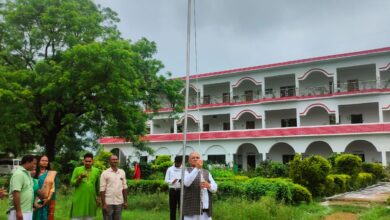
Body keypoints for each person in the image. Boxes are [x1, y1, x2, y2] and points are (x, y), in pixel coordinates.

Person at [183, 152, 217, 220]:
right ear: (189, 161)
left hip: (205, 210)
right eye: (193, 158)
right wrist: (196, 168)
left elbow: (215, 188)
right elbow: (186, 183)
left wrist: (209, 186)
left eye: (197, 157)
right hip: (191, 210)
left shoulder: (206, 172)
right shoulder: (185, 171)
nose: (195, 159)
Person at [70, 153, 101, 220]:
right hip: (79, 199)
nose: (87, 163)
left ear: (92, 161)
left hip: (91, 199)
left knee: (89, 217)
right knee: (76, 217)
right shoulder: (77, 169)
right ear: (83, 161)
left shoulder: (97, 171)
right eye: (86, 161)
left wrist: (99, 198)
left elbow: (98, 186)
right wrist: (80, 178)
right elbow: (72, 183)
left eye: (89, 161)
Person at [7, 155, 37, 220]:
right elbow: (16, 193)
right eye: (34, 163)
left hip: (27, 210)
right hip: (19, 212)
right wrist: (18, 211)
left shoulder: (27, 174)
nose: (35, 166)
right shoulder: (19, 174)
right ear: (27, 162)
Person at [100, 154, 128, 220]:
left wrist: (125, 201)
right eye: (113, 159)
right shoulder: (105, 173)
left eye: (116, 159)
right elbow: (102, 189)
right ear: (109, 161)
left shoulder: (122, 172)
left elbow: (124, 187)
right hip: (108, 202)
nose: (115, 161)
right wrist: (104, 203)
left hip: (119, 201)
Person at [34, 155, 57, 220]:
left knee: (44, 216)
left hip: (46, 200)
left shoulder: (51, 174)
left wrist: (49, 199)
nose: (44, 162)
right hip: (34, 199)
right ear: (39, 161)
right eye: (42, 160)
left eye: (46, 161)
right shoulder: (33, 172)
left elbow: (53, 189)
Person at [164, 155, 182, 220]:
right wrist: (172, 181)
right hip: (172, 190)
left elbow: (187, 178)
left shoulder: (184, 169)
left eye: (179, 163)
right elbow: (166, 180)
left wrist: (182, 180)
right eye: (177, 163)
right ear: (175, 162)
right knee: (172, 208)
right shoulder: (170, 169)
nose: (178, 164)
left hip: (181, 190)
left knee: (181, 208)